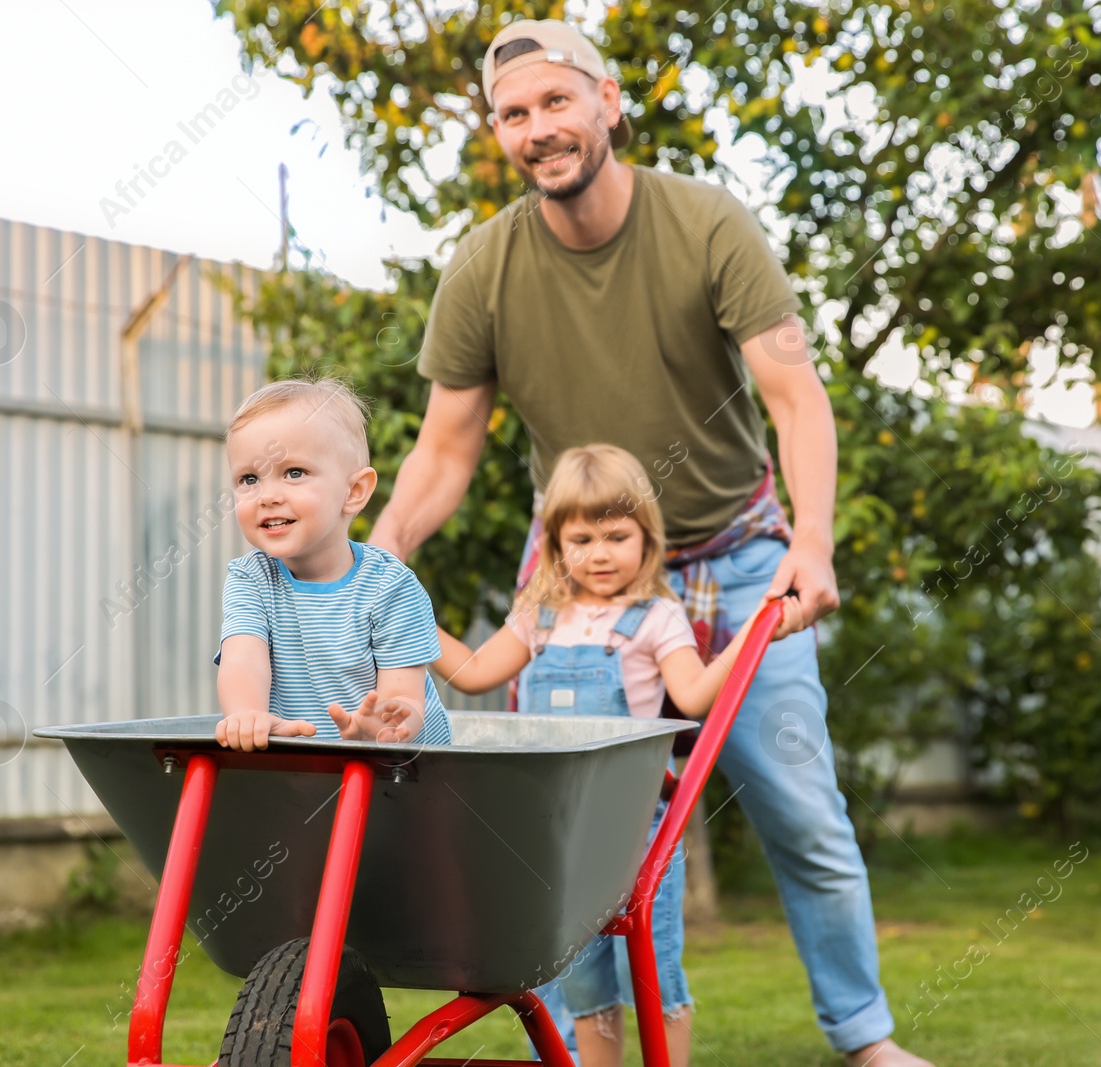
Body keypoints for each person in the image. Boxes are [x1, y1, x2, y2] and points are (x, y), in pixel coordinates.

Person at [368, 18, 934, 1067]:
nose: (537, 128)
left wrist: (812, 541)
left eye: (555, 101)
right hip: (576, 584)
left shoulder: (706, 223)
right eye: (512, 114)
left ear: (609, 99)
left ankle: (865, 1039)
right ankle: (589, 1037)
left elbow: (794, 395)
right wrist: (385, 545)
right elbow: (445, 448)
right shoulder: (483, 267)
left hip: (738, 557)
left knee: (802, 809)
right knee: (565, 836)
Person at [432, 444, 803, 1067]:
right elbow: (472, 672)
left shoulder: (656, 616)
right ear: (555, 545)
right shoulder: (538, 617)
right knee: (582, 981)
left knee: (651, 970)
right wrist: (403, 620)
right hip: (554, 832)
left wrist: (753, 636)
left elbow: (691, 696)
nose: (599, 553)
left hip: (635, 828)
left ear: (646, 538)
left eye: (616, 535)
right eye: (581, 538)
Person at [215, 376, 452, 751]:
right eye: (249, 478)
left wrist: (386, 723)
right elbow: (243, 658)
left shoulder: (390, 586)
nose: (268, 496)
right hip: (311, 764)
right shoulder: (250, 578)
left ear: (353, 492)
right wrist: (247, 713)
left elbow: (404, 694)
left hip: (405, 773)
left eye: (294, 473)